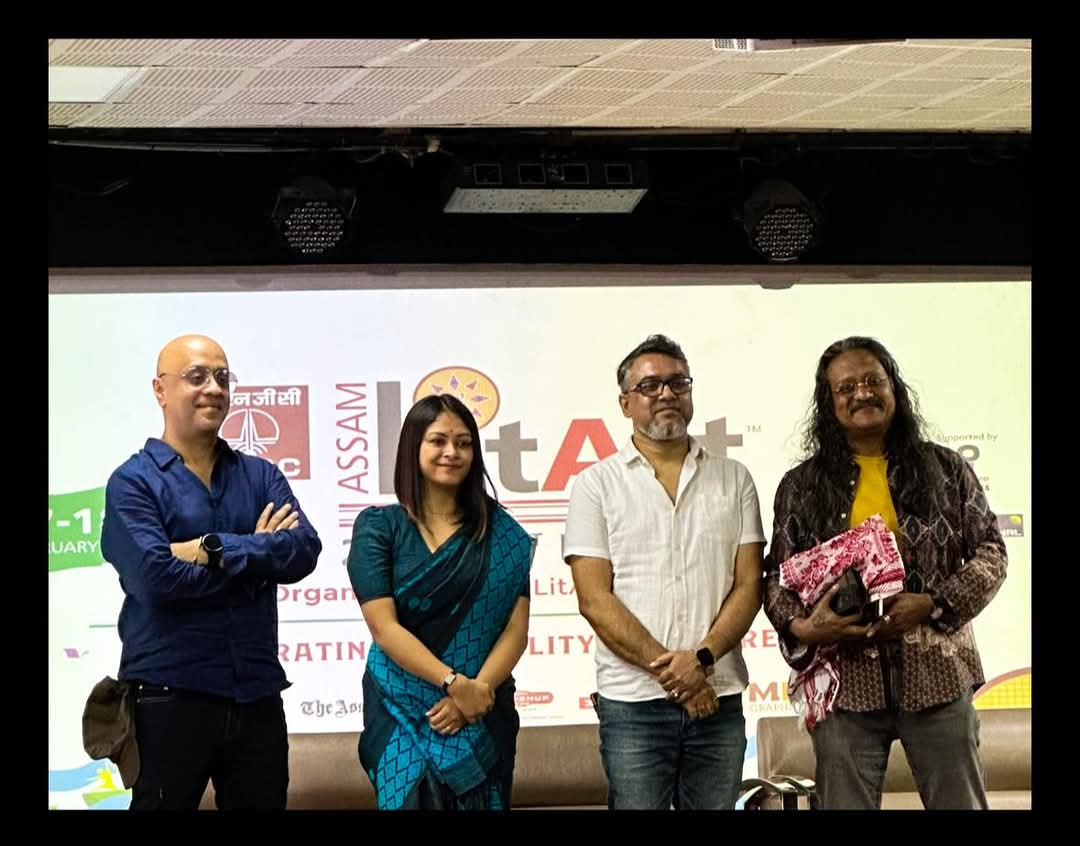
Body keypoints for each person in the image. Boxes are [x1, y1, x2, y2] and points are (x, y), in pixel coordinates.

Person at [762, 336, 1007, 810]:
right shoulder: (802, 485)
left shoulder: (946, 469)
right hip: (844, 683)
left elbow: (992, 552)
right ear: (828, 402)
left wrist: (934, 604)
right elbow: (776, 580)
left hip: (939, 675)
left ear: (894, 387)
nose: (862, 393)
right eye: (846, 387)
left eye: (873, 380)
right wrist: (804, 628)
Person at [100, 334, 322, 809]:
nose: (215, 389)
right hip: (169, 697)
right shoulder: (133, 482)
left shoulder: (261, 476)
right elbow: (156, 580)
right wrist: (256, 557)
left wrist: (212, 548)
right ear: (160, 390)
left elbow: (303, 550)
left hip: (257, 695)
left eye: (222, 377)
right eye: (197, 377)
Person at [563, 334, 766, 810]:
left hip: (717, 698)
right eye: (650, 386)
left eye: (678, 383)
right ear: (625, 403)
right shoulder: (595, 485)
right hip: (633, 705)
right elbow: (594, 599)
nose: (666, 394)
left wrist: (702, 660)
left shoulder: (734, 479)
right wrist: (680, 676)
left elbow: (749, 585)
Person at [348, 394, 533, 809]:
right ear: (413, 448)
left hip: (483, 707)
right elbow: (385, 628)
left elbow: (516, 630)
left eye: (464, 443)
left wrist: (476, 694)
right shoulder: (380, 528)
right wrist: (453, 684)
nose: (452, 452)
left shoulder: (503, 536)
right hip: (399, 705)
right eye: (438, 441)